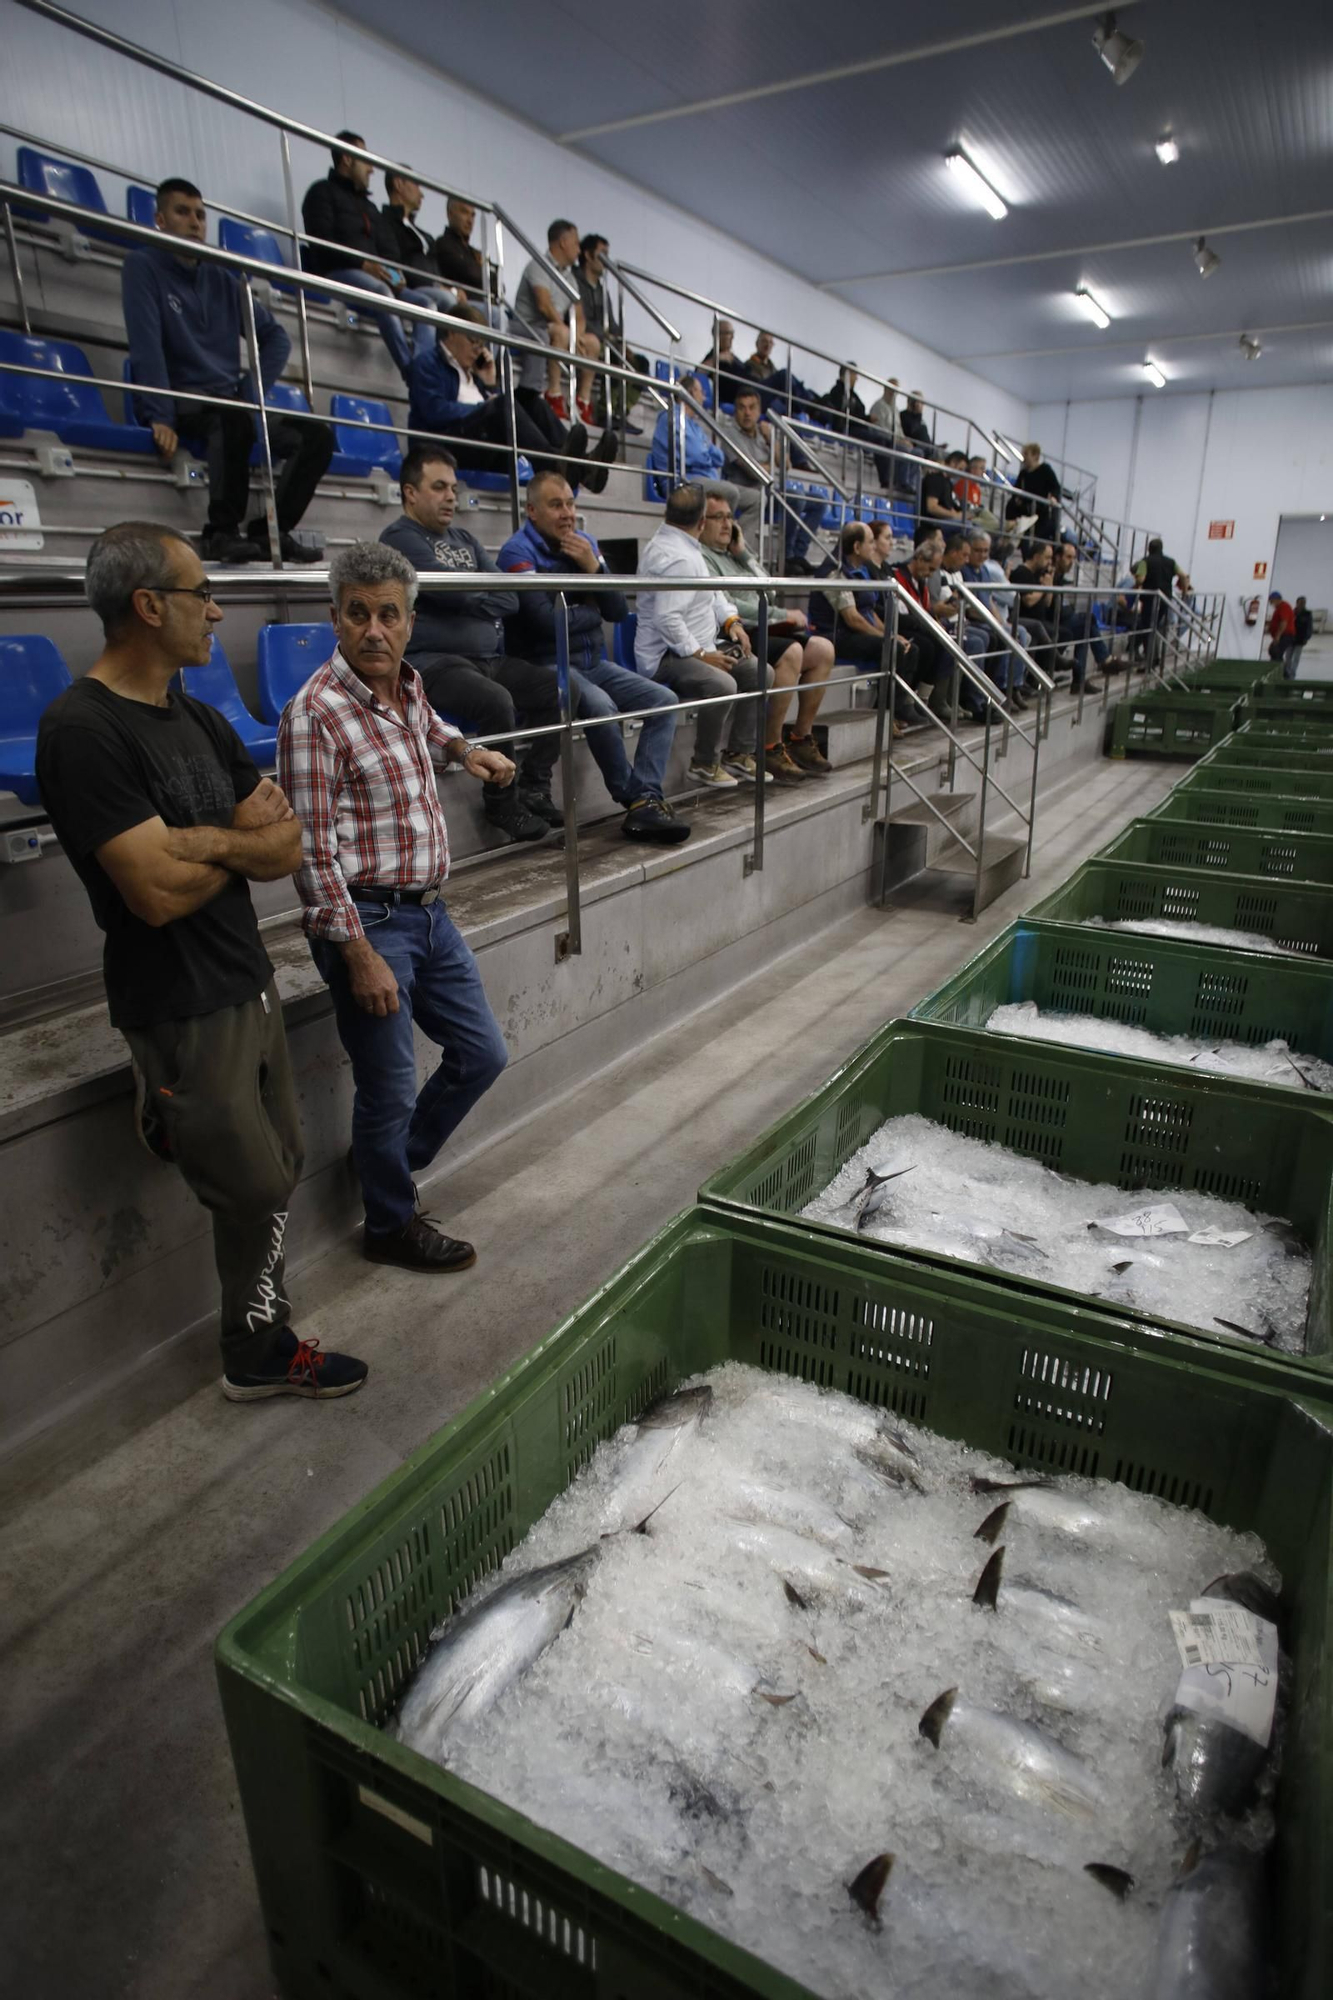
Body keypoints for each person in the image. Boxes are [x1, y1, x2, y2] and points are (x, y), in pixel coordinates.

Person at [34, 520, 367, 1400]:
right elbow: (149, 892)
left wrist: (200, 845)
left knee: (281, 1162)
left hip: (243, 976)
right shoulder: (83, 729)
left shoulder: (199, 715)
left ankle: (259, 1335)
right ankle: (254, 1351)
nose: (216, 611)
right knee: (253, 1183)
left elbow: (289, 842)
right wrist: (232, 850)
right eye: (199, 595)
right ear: (148, 606)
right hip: (176, 997)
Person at [277, 540, 512, 1271]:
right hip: (369, 923)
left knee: (482, 1055)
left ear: (409, 621)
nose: (373, 629)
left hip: (430, 912)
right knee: (388, 1084)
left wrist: (464, 750)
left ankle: (386, 1163)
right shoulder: (313, 715)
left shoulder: (405, 687)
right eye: (357, 615)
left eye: (388, 614)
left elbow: (429, 729)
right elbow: (310, 855)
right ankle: (388, 1223)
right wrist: (356, 953)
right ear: (335, 620)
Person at [123, 178, 334, 566]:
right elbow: (146, 346)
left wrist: (249, 391)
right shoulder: (142, 267)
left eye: (201, 215)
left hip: (229, 404)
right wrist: (159, 414)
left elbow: (276, 338)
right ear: (159, 219)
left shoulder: (224, 275)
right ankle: (221, 532)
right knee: (233, 417)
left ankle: (270, 530)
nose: (194, 222)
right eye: (182, 212)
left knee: (318, 436)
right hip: (186, 402)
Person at [379, 446, 565, 842]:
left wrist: (471, 597)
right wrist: (475, 597)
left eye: (454, 488)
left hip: (488, 656)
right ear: (410, 493)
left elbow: (509, 597)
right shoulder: (400, 539)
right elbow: (456, 596)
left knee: (560, 689)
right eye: (439, 487)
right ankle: (502, 803)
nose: (451, 497)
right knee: (496, 700)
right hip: (434, 662)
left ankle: (535, 784)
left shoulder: (464, 538)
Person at [498, 471, 688, 845]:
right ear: (532, 510)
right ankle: (633, 799)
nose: (567, 512)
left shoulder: (584, 544)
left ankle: (646, 794)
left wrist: (594, 570)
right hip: (545, 664)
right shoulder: (516, 553)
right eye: (556, 505)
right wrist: (590, 606)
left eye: (570, 503)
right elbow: (543, 622)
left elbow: (616, 609)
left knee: (664, 701)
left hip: (593, 662)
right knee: (600, 706)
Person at [635, 483, 773, 790]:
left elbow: (714, 594)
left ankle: (738, 753)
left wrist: (732, 622)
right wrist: (701, 655)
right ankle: (705, 763)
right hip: (667, 656)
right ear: (700, 522)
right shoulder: (677, 556)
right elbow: (667, 619)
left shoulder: (688, 546)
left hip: (699, 646)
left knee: (759, 671)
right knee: (723, 683)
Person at [405, 301, 615, 492]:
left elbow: (494, 410)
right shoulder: (427, 364)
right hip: (443, 446)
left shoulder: (472, 371)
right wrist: (483, 405)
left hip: (482, 443)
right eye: (473, 341)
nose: (478, 350)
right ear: (451, 332)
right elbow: (435, 411)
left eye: (481, 344)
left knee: (533, 401)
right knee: (503, 404)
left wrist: (490, 384)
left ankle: (582, 467)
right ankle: (556, 465)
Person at [699, 493, 835, 782]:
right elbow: (728, 603)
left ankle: (800, 738)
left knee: (823, 650)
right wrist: (781, 616)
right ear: (701, 522)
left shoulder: (734, 556)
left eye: (730, 517)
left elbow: (769, 590)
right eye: (718, 517)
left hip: (762, 626)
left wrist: (744, 552)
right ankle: (770, 746)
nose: (727, 524)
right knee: (792, 653)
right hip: (734, 633)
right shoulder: (703, 558)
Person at [301, 133, 452, 378]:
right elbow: (321, 244)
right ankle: (412, 373)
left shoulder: (370, 207)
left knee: (427, 305)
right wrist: (362, 264)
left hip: (376, 279)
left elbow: (389, 250)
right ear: (348, 159)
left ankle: (423, 369)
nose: (372, 169)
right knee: (383, 294)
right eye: (366, 160)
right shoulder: (321, 193)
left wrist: (394, 275)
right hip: (338, 273)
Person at [717, 385, 824, 569]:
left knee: (819, 502)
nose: (747, 413)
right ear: (736, 412)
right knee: (796, 501)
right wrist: (771, 466)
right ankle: (787, 557)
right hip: (747, 492)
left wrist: (771, 440)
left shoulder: (764, 434)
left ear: (759, 411)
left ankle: (797, 554)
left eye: (752, 408)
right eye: (742, 408)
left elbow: (787, 465)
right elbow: (752, 470)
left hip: (769, 490)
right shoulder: (730, 434)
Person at [511, 218, 600, 424]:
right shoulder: (538, 265)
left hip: (555, 327)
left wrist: (577, 337)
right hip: (529, 327)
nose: (579, 250)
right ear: (563, 242)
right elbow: (544, 305)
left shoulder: (569, 277)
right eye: (576, 243)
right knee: (561, 333)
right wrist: (567, 332)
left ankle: (582, 402)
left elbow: (579, 314)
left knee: (592, 342)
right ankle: (553, 394)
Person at [651, 375, 755, 536]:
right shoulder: (671, 418)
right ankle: (722, 546)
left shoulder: (694, 425)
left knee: (756, 500)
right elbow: (697, 454)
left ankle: (739, 550)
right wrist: (705, 455)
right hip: (684, 482)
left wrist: (703, 453)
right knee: (730, 492)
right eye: (702, 392)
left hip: (706, 480)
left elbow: (718, 457)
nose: (704, 397)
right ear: (691, 392)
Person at [1050, 538, 1107, 691]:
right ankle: (1103, 660)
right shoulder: (1050, 575)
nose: (1072, 562)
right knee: (1088, 620)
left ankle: (1079, 681)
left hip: (1061, 619)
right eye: (1068, 557)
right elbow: (1052, 608)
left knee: (1085, 627)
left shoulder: (1060, 578)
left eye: (1074, 558)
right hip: (1051, 622)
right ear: (1058, 557)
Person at [381, 168, 444, 286]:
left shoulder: (426, 236)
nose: (422, 194)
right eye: (416, 185)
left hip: (435, 290)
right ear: (398, 184)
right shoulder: (384, 223)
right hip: (410, 288)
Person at [1139, 538, 1191, 667]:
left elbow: (1141, 579)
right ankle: (1154, 658)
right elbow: (1183, 576)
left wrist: (1135, 586)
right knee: (1155, 626)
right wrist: (1184, 592)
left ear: (1149, 549)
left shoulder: (1145, 561)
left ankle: (1150, 659)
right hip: (1165, 599)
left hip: (1150, 598)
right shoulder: (1170, 562)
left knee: (1148, 628)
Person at [1006, 443, 1063, 543]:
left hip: (1039, 512)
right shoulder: (1023, 473)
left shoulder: (1045, 469)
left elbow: (1056, 487)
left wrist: (1053, 497)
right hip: (1024, 510)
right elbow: (1016, 491)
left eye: (1026, 454)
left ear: (1035, 455)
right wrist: (1016, 500)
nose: (1024, 457)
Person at [698, 319, 751, 403]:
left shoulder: (735, 359)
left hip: (751, 392)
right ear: (717, 335)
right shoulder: (713, 356)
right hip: (736, 399)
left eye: (732, 333)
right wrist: (718, 358)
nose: (732, 337)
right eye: (728, 333)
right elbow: (699, 372)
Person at [920, 451, 965, 526]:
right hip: (932, 523)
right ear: (953, 462)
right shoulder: (935, 479)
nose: (960, 474)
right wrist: (953, 515)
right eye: (960, 469)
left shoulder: (948, 483)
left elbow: (949, 505)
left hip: (945, 520)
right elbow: (932, 508)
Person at [1266, 590, 1296, 668]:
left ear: (1276, 599)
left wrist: (1278, 636)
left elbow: (1284, 622)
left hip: (1285, 635)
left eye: (1271, 600)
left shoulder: (1284, 607)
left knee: (1276, 653)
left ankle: (1283, 673)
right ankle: (1281, 672)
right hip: (1282, 635)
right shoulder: (1279, 608)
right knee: (1273, 652)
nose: (1270, 603)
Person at [1290, 597, 1314, 677]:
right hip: (1290, 638)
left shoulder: (1307, 614)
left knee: (1296, 658)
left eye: (1304, 602)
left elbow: (1309, 627)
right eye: (1301, 602)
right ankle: (1287, 673)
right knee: (1288, 658)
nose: (1302, 604)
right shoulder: (1292, 612)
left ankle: (1292, 674)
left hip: (1301, 639)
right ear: (1297, 603)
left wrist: (1307, 638)